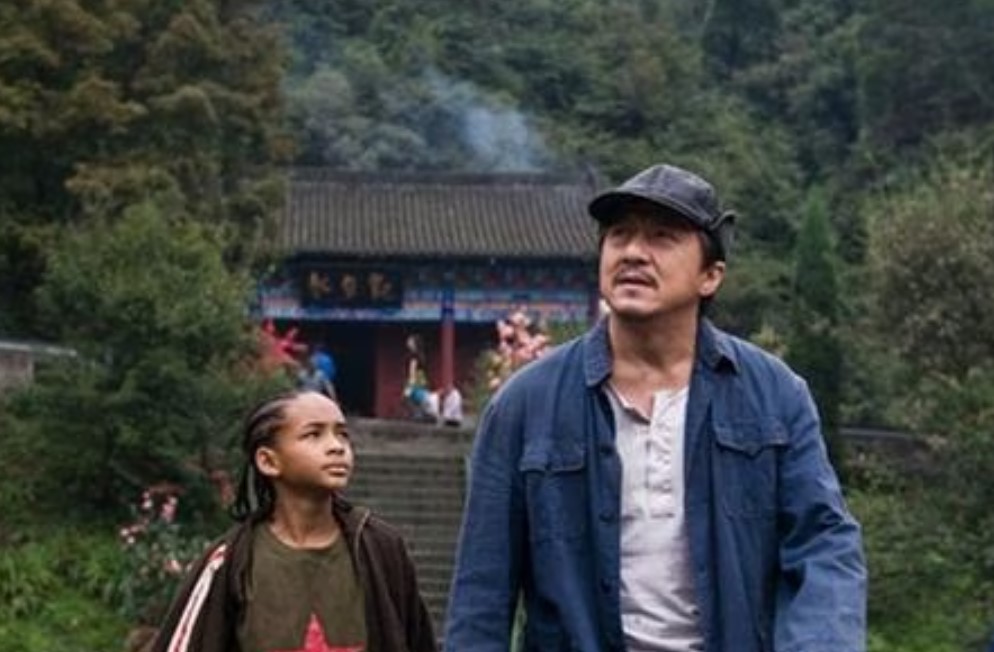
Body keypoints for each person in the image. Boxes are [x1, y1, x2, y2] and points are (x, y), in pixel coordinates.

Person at [444, 163, 866, 651]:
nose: (633, 253)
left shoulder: (774, 394)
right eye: (619, 235)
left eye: (662, 238)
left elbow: (822, 544)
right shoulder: (525, 404)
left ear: (710, 276)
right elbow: (481, 592)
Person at [149, 390, 437, 652]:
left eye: (342, 434)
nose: (337, 447)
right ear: (268, 461)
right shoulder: (231, 561)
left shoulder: (379, 549)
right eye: (314, 434)